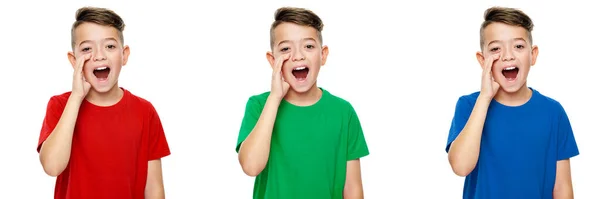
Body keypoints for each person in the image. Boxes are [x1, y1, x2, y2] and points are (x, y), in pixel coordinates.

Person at [235, 6, 369, 199]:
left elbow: (353, 190)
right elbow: (250, 166)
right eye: (286, 49)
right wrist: (274, 98)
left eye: (308, 46)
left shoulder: (343, 112)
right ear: (273, 61)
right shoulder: (259, 105)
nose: (298, 55)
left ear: (323, 55)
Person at [36, 7, 170, 199]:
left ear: (124, 55)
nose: (99, 55)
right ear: (74, 61)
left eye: (109, 46)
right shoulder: (60, 105)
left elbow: (154, 189)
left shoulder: (145, 111)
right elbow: (52, 166)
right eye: (87, 49)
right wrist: (76, 97)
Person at [445, 6, 579, 199]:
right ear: (483, 61)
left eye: (518, 46)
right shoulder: (469, 105)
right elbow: (460, 166)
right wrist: (484, 98)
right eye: (496, 48)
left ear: (533, 55)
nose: (508, 55)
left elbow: (562, 188)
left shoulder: (553, 112)